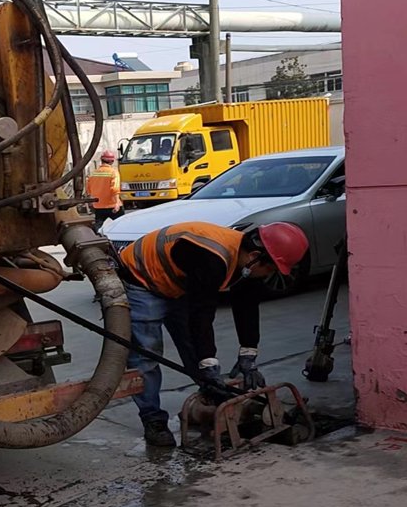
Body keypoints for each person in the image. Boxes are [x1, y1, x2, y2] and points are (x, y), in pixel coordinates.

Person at [117, 220, 309, 447]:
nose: (271, 275)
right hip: (141, 278)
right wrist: (209, 364)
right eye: (271, 269)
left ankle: (210, 397)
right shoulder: (211, 259)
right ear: (255, 256)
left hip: (176, 281)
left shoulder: (243, 261)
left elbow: (246, 305)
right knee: (146, 355)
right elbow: (201, 314)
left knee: (192, 346)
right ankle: (153, 420)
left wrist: (249, 353)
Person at [86, 150, 124, 230]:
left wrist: (91, 203)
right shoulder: (113, 172)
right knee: (121, 225)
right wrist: (117, 203)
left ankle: (97, 239)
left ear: (101, 160)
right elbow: (115, 189)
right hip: (112, 205)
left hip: (98, 206)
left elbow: (89, 189)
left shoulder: (94, 173)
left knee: (98, 227)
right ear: (112, 161)